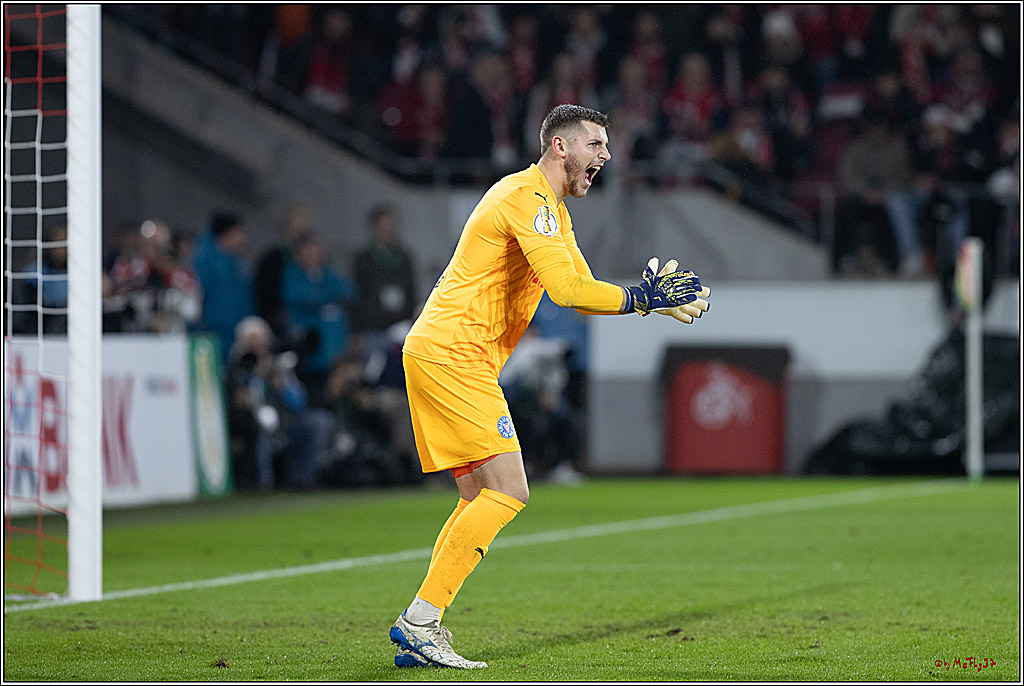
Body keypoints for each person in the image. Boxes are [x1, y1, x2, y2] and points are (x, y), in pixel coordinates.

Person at [388, 104, 709, 669]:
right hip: (454, 355)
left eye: (607, 147)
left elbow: (582, 285)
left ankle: (421, 624)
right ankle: (420, 620)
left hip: (448, 354)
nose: (604, 156)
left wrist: (649, 301)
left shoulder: (553, 213)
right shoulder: (526, 198)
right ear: (560, 146)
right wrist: (643, 298)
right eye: (595, 144)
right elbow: (565, 290)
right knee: (510, 490)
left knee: (477, 499)